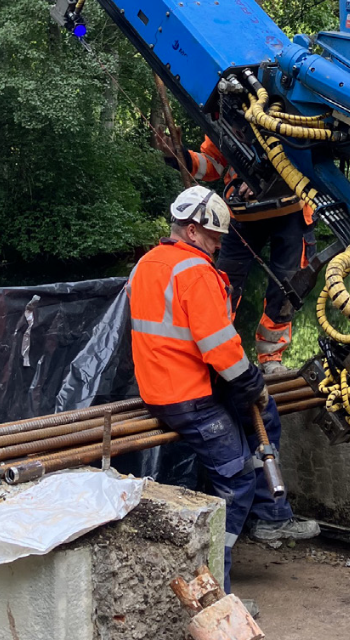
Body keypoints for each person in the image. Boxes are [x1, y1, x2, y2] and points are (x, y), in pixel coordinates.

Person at [128, 185, 319, 594]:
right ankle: (220, 590)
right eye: (214, 237)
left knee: (262, 421)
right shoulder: (196, 272)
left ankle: (271, 514)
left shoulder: (148, 263)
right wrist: (253, 383)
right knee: (235, 483)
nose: (218, 245)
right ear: (194, 230)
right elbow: (219, 347)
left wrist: (248, 388)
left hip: (164, 386)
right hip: (188, 396)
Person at [156, 134, 315, 374]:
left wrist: (267, 177)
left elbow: (309, 152)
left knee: (286, 289)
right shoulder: (224, 115)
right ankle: (218, 353)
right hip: (241, 214)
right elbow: (212, 164)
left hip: (291, 210)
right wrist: (180, 155)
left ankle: (271, 358)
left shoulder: (291, 112)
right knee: (222, 285)